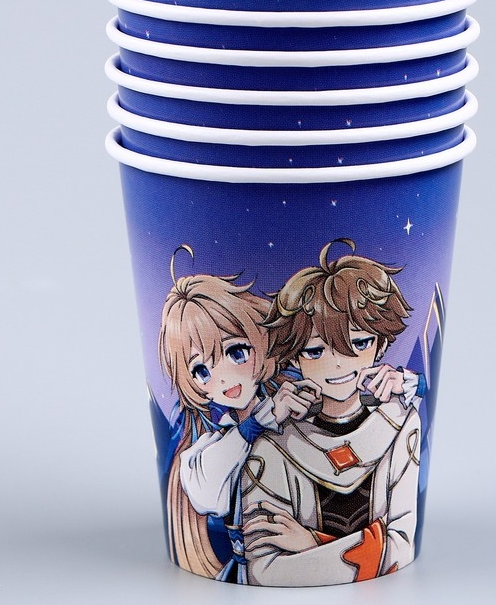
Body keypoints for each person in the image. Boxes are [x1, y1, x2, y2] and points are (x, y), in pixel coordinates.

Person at [240, 239, 424, 586]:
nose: (338, 364)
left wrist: (314, 542)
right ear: (294, 358)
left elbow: (403, 544)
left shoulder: (400, 426)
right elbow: (263, 570)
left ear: (381, 345)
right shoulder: (274, 447)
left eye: (358, 343)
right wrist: (369, 549)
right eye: (315, 351)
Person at [159, 246, 320, 583]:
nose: (223, 379)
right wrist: (255, 425)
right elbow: (207, 494)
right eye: (201, 371)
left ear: (260, 342)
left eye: (236, 352)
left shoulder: (292, 401)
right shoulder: (209, 441)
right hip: (246, 573)